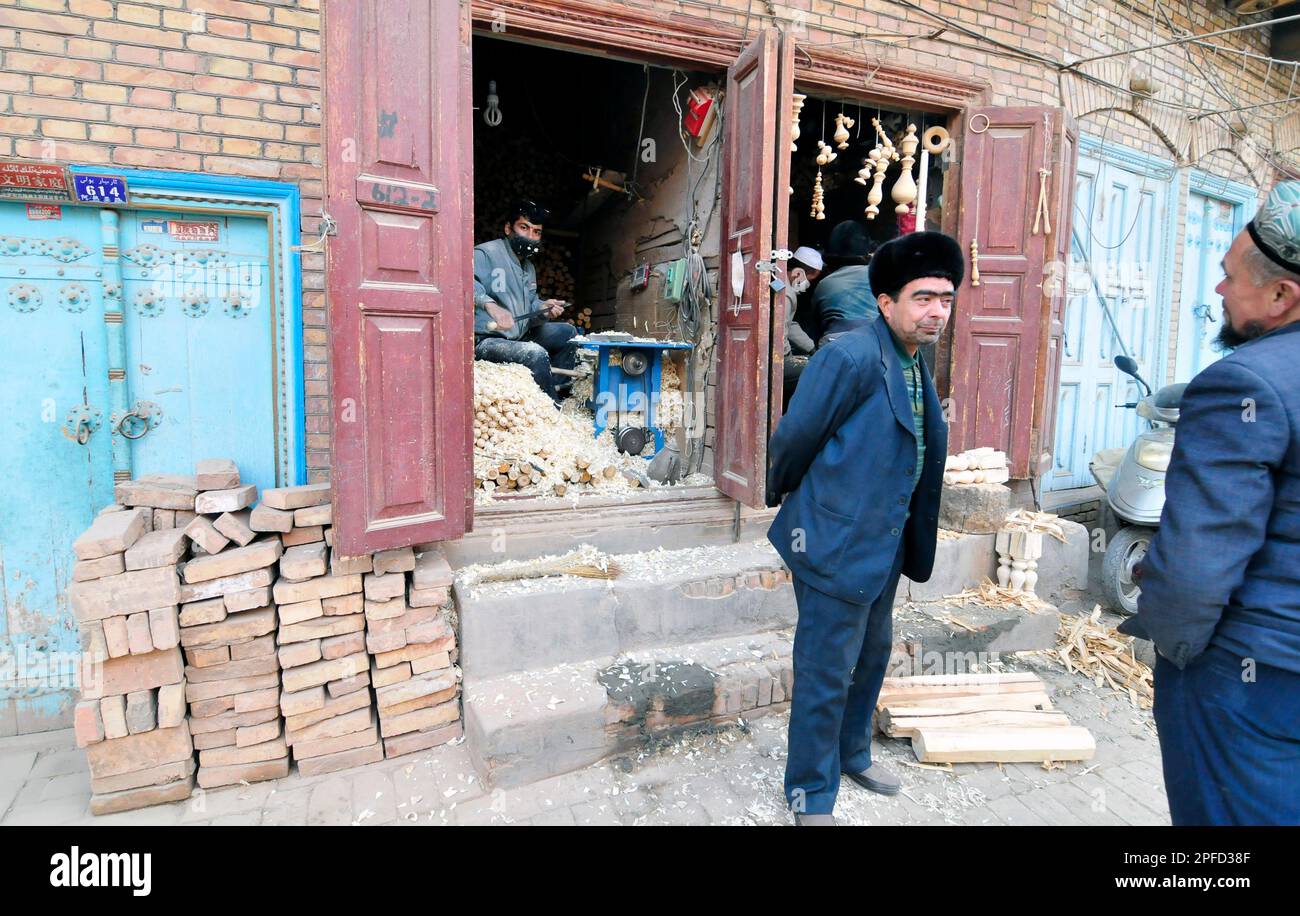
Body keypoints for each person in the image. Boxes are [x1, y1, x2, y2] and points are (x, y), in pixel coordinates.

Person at [1117, 181, 1300, 826]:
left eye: (1228, 278)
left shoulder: (1246, 383)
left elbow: (1196, 564)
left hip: (1253, 672)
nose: (1218, 291)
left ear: (1282, 296)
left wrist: (1174, 648)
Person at [766, 231, 961, 825]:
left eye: (946, 300)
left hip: (885, 544)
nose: (936, 312)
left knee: (872, 654)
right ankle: (809, 792)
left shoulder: (914, 362)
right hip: (833, 541)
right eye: (923, 298)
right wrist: (807, 507)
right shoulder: (849, 355)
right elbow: (793, 441)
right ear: (885, 302)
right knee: (826, 669)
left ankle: (853, 753)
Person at [473, 200, 579, 402]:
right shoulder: (485, 253)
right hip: (487, 340)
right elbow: (462, 283)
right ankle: (550, 410)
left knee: (569, 333)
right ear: (508, 228)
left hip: (518, 336)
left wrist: (542, 309)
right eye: (524, 228)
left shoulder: (528, 267)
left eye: (536, 232)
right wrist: (491, 306)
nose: (530, 237)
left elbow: (530, 309)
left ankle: (556, 391)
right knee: (535, 354)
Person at [810, 219, 881, 343]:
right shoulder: (880, 277)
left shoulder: (825, 284)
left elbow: (817, 323)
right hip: (877, 342)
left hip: (835, 344)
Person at [782, 246, 821, 410]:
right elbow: (781, 332)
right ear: (797, 273)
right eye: (809, 280)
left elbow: (789, 325)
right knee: (819, 371)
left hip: (782, 354)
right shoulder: (785, 293)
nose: (807, 285)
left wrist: (811, 347)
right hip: (777, 359)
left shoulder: (785, 287)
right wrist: (790, 356)